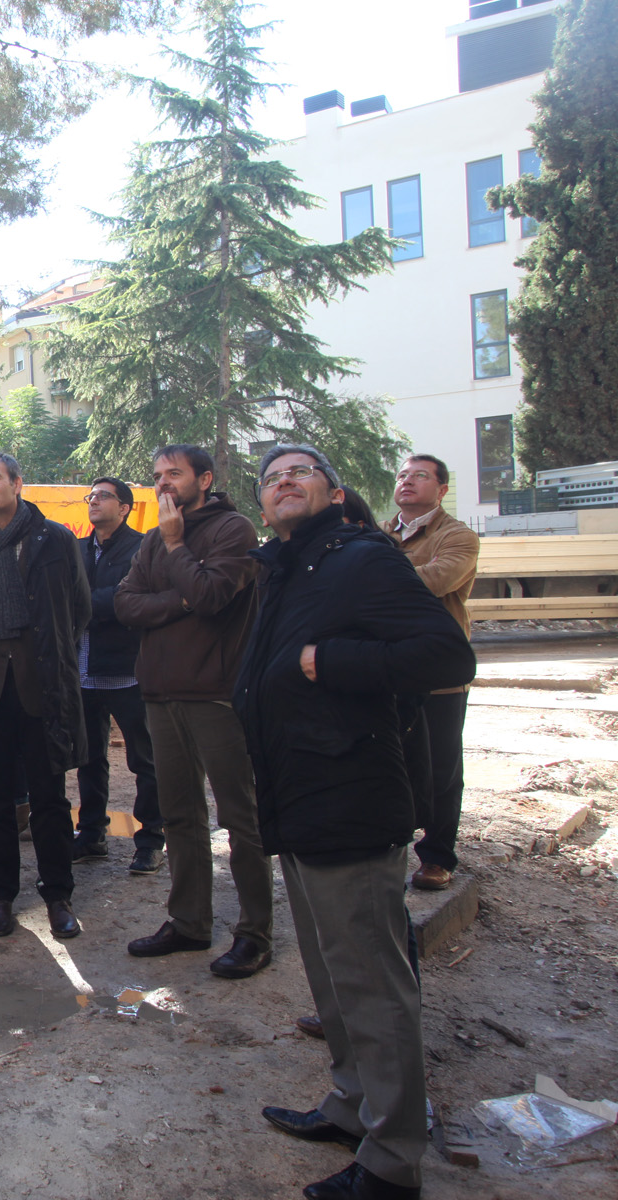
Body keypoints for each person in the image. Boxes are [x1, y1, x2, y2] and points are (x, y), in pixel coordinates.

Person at [238, 444, 473, 1200]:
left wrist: (335, 662)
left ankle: (393, 1159)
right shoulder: (284, 568)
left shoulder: (362, 558)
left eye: (300, 472)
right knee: (332, 976)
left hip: (351, 797)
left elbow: (446, 655)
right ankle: (351, 1104)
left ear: (335, 494)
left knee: (372, 984)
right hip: (298, 796)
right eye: (272, 478)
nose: (284, 481)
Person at [115, 443, 273, 979]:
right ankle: (189, 922)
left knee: (239, 818)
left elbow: (210, 596)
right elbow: (126, 604)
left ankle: (254, 934)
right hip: (161, 694)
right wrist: (180, 600)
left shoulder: (234, 530)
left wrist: (177, 547)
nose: (163, 482)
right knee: (179, 814)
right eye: (157, 474)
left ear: (204, 479)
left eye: (174, 473)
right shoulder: (152, 537)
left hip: (216, 695)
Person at [0, 453, 91, 940]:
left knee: (50, 799)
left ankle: (58, 896)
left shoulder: (57, 540)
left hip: (43, 688)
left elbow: (79, 609)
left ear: (17, 484)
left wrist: (44, 651)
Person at [383, 455, 480, 894]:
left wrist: (369, 579)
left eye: (420, 476)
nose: (408, 481)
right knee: (389, 762)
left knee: (441, 767)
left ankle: (438, 856)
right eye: (403, 475)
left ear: (441, 490)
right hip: (385, 667)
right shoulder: (379, 533)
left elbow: (436, 580)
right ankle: (387, 847)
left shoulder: (457, 536)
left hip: (437, 671)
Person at [73, 477, 166, 875]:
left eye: (103, 496)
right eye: (91, 496)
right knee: (88, 758)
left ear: (124, 508)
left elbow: (129, 598)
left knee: (144, 759)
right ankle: (91, 834)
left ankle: (150, 839)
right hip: (83, 671)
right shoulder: (77, 549)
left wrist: (81, 604)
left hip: (128, 671)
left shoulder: (143, 548)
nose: (94, 501)